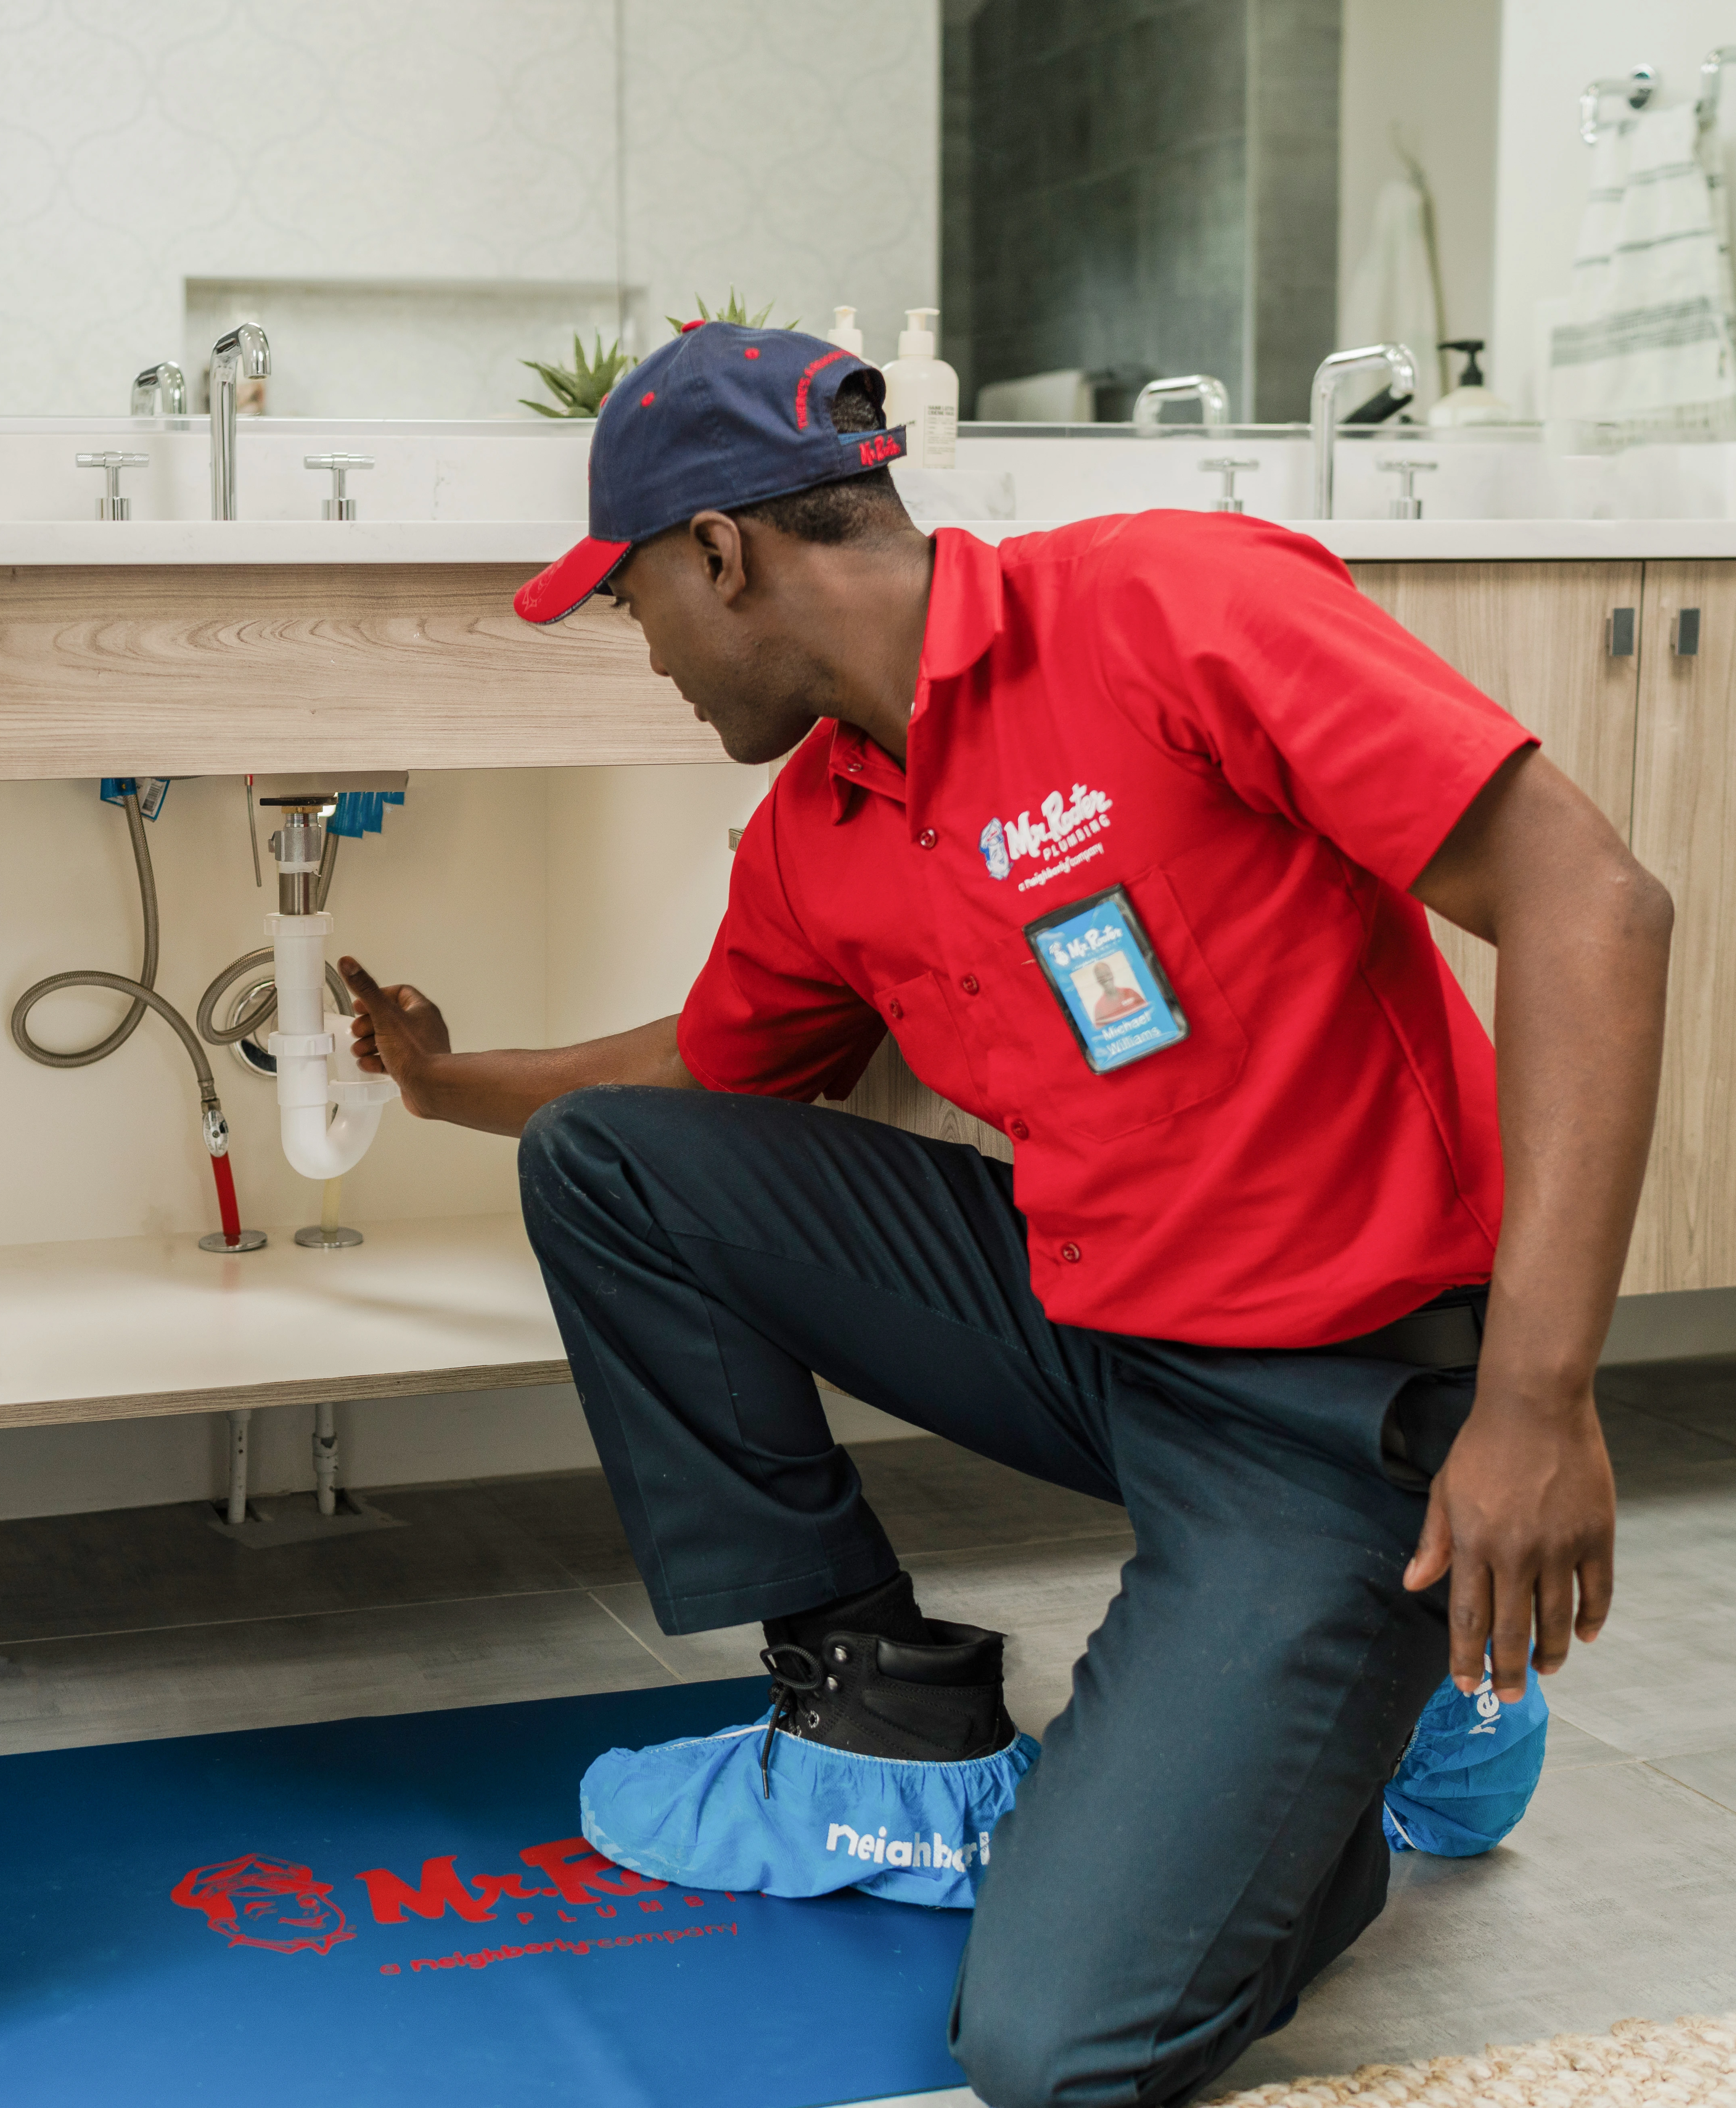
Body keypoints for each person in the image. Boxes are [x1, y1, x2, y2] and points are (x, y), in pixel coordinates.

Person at [340, 323, 1669, 2108]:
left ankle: (1376, 1720)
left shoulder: (1166, 607)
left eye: (627, 597)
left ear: (719, 554)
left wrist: (1534, 1401)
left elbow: (1593, 902)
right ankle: (877, 1721)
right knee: (612, 1162)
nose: (637, 647)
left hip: (1344, 1402)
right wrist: (451, 1086)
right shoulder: (818, 821)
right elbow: (703, 1073)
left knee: (1060, 2052)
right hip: (1098, 1327)